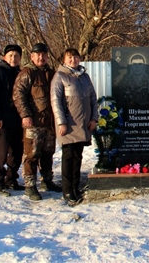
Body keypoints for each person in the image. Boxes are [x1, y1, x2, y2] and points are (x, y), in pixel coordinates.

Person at [13, 43, 62, 200]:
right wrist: (25, 115)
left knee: (48, 153)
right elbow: (18, 95)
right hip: (33, 122)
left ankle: (47, 181)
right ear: (32, 56)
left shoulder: (52, 73)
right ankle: (30, 185)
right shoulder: (27, 73)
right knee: (32, 154)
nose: (41, 57)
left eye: (44, 54)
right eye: (38, 55)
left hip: (49, 122)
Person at [51, 48, 98, 204]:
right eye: (70, 57)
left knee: (78, 156)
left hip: (83, 124)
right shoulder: (60, 77)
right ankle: (67, 190)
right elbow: (56, 101)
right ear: (64, 59)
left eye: (76, 57)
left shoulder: (84, 77)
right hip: (69, 125)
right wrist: (61, 122)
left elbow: (93, 98)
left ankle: (75, 187)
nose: (73, 60)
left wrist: (94, 119)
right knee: (68, 157)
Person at [0, 44, 25, 196]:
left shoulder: (20, 73)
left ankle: (11, 179)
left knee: (16, 151)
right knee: (1, 151)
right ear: (4, 57)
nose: (13, 58)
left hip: (17, 118)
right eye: (10, 56)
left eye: (16, 56)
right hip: (3, 118)